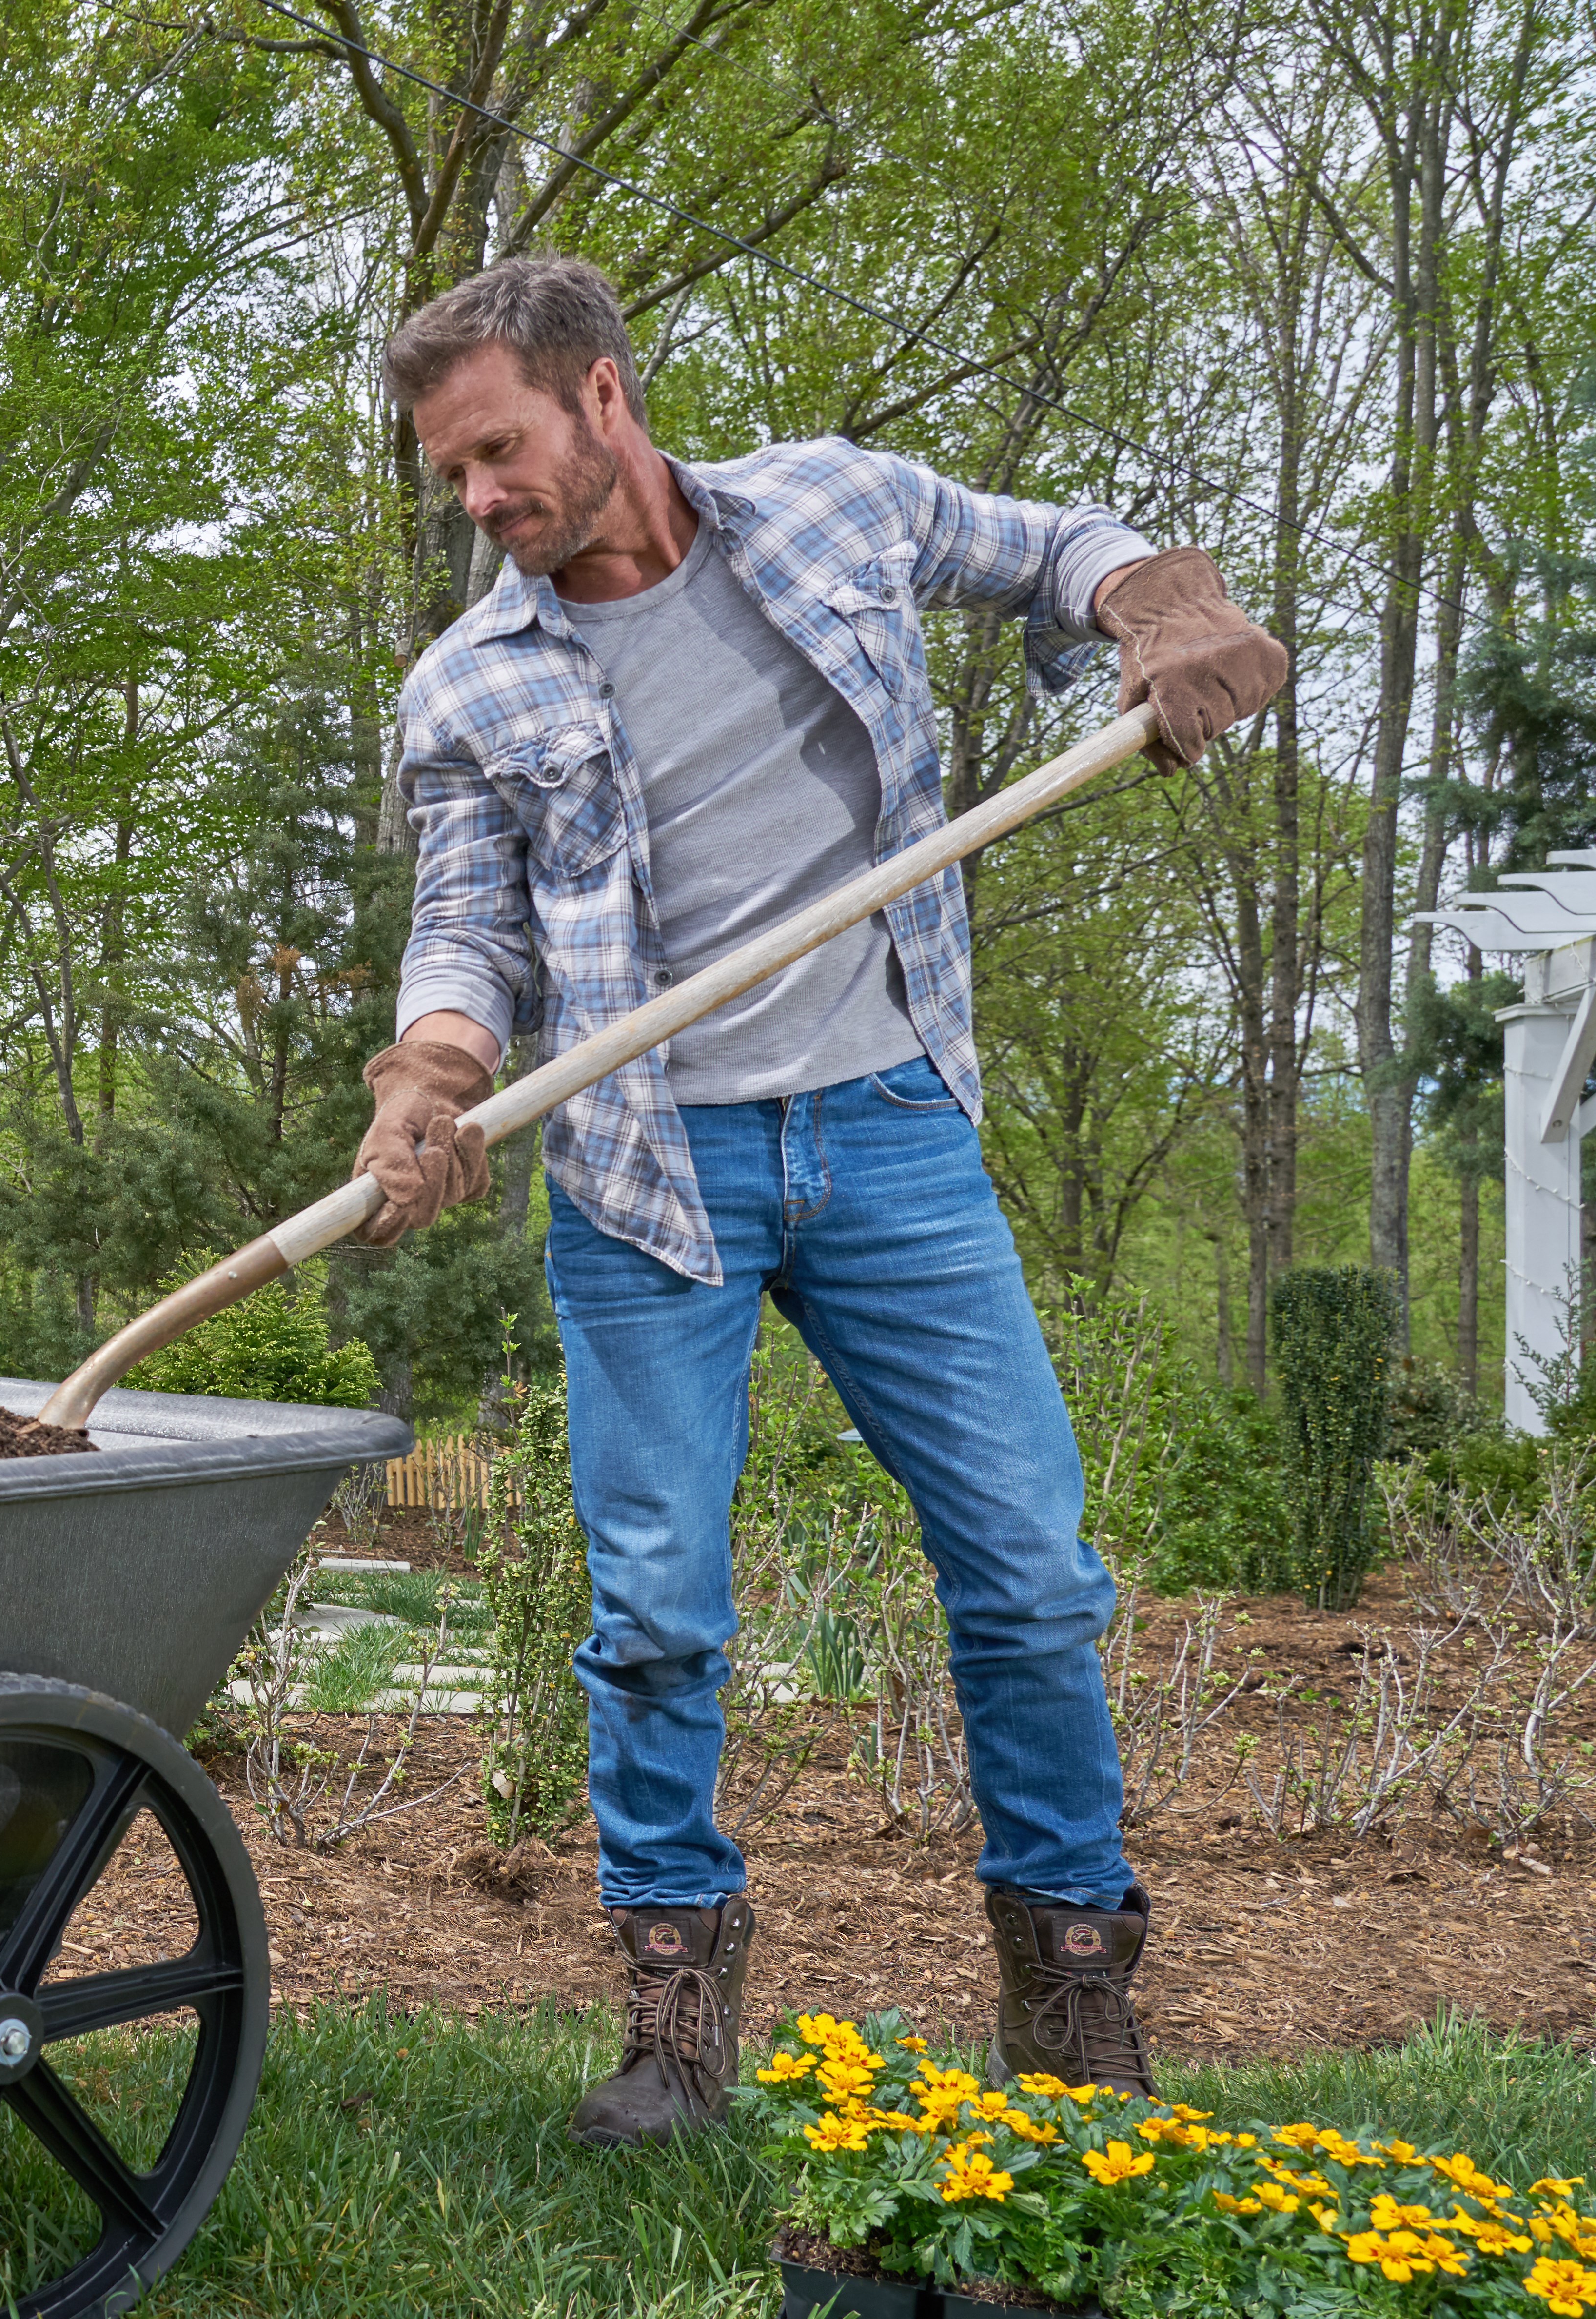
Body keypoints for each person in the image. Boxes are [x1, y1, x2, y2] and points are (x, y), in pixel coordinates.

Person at [357, 256, 1286, 2145]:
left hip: (884, 1130)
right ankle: (673, 2005)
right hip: (642, 1160)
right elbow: (462, 933)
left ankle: (1070, 1985)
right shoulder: (469, 683)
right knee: (656, 1609)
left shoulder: (837, 508)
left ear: (602, 397)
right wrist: (426, 1084)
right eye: (446, 471)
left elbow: (1055, 550)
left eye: (497, 450)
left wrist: (1159, 607)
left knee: (1026, 1567)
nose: (475, 500)